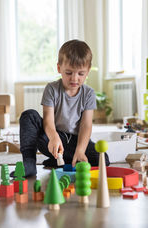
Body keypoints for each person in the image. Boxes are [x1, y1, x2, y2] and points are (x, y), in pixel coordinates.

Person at [14, 39, 110, 177]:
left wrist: (81, 150)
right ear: (59, 68)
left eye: (80, 74)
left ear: (88, 71)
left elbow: (86, 125)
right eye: (69, 72)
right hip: (53, 139)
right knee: (29, 115)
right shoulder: (51, 89)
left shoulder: (88, 93)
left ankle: (63, 161)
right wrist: (53, 137)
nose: (74, 78)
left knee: (102, 160)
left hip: (76, 142)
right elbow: (48, 121)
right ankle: (29, 164)